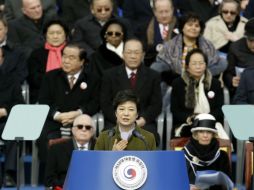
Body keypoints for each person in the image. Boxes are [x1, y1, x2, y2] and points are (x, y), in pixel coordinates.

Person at [37, 43, 100, 164]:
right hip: (53, 120)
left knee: (86, 134)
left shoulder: (93, 79)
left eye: (71, 58)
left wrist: (78, 113)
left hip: (81, 121)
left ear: (82, 61)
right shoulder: (50, 77)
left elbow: (95, 103)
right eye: (64, 56)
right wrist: (57, 115)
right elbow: (43, 101)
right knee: (43, 137)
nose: (66, 60)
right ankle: (51, 178)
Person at [100, 38, 162, 145]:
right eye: (129, 52)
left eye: (137, 53)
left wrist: (141, 120)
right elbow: (105, 103)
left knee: (151, 138)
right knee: (108, 139)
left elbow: (156, 104)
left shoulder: (153, 76)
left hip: (142, 123)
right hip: (115, 122)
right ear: (123, 54)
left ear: (143, 55)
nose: (133, 56)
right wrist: (120, 120)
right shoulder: (109, 75)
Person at [151, 12, 227, 86]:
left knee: (223, 63)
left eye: (197, 26)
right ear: (182, 28)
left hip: (202, 80)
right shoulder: (170, 44)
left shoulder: (208, 45)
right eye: (190, 25)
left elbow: (216, 63)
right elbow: (162, 62)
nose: (193, 28)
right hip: (175, 80)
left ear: (200, 29)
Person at [171, 49, 224, 137]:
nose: (198, 67)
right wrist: (190, 119)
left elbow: (219, 109)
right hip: (187, 123)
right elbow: (175, 110)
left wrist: (206, 119)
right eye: (194, 63)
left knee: (211, 132)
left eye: (201, 63)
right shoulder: (178, 83)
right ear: (187, 66)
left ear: (206, 65)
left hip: (211, 122)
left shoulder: (215, 83)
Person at [45, 114, 96, 189]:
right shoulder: (56, 149)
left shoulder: (100, 148)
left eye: (88, 127)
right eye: (80, 126)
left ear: (93, 131)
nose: (84, 129)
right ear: (73, 130)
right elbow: (49, 180)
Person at [184, 113, 231, 190]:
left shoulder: (222, 156)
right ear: (196, 134)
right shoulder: (184, 154)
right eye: (201, 131)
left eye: (209, 132)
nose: (205, 135)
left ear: (213, 134)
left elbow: (226, 185)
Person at [27, 19, 69, 103]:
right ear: (45, 35)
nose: (55, 36)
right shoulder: (36, 54)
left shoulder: (72, 52)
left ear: (65, 35)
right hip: (42, 94)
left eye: (59, 33)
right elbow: (34, 79)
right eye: (51, 33)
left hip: (69, 93)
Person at [0, 70, 24, 187]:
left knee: (14, 131)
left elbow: (20, 103)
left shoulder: (11, 79)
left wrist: (5, 111)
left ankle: (8, 174)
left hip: (5, 121)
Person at [223, 18, 254, 100]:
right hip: (245, 93)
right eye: (251, 40)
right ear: (246, 36)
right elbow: (227, 73)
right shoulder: (235, 48)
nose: (253, 44)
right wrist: (231, 80)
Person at [145, 0, 177, 66]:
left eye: (167, 11)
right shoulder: (146, 27)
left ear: (172, 10)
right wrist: (156, 47)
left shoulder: (181, 26)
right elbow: (144, 47)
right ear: (154, 12)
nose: (164, 15)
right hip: (151, 64)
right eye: (160, 12)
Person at [0, 13, 27, 85]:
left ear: (6, 29)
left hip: (10, 92)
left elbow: (21, 76)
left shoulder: (18, 51)